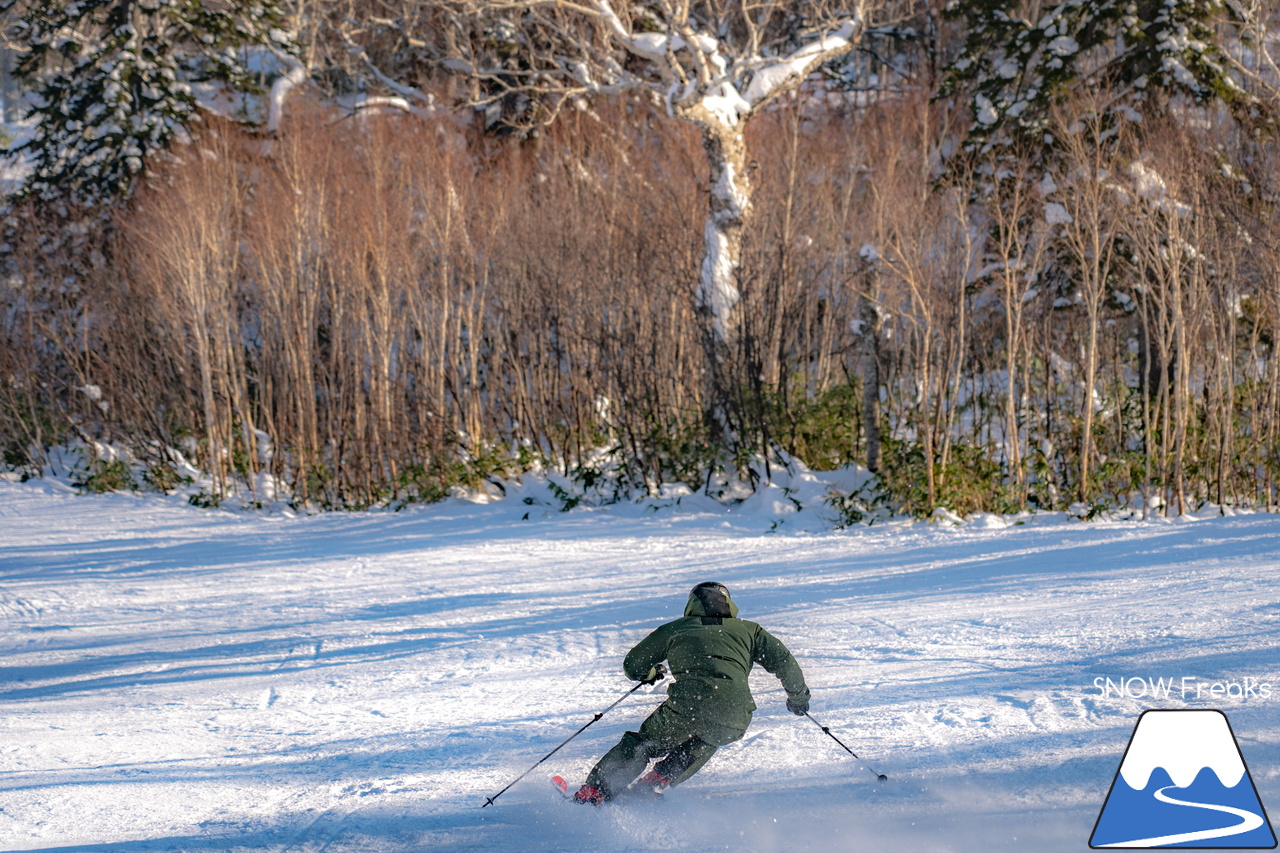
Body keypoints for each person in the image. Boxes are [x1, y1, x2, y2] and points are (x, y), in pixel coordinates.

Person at [573, 581, 811, 804]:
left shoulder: (677, 628)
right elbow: (783, 661)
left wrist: (650, 674)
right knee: (709, 738)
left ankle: (596, 791)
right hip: (735, 712)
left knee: (644, 744)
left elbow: (633, 665)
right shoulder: (751, 631)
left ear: (692, 605)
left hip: (688, 706)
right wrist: (798, 698)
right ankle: (657, 781)